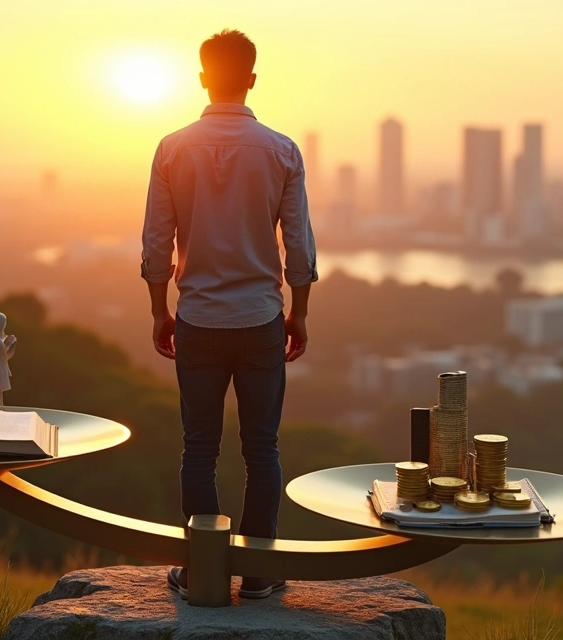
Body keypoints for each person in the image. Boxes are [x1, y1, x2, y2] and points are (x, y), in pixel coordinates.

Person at [140, 29, 317, 600]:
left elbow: (156, 244)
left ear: (202, 78)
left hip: (198, 318)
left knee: (199, 448)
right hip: (261, 318)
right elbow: (299, 247)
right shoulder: (282, 150)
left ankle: (202, 572)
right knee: (262, 449)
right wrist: (299, 314)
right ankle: (260, 574)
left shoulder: (172, 149)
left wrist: (160, 311)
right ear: (252, 79)